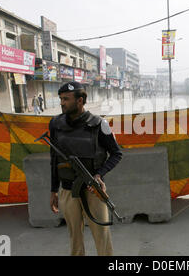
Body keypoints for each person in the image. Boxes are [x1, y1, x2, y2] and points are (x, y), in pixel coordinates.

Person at [49, 82, 122, 256]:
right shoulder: (55, 124)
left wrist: (99, 175)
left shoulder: (99, 124)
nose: (62, 103)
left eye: (66, 99)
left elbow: (116, 154)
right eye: (61, 99)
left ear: (80, 101)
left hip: (93, 190)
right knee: (74, 238)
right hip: (67, 190)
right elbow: (54, 158)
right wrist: (53, 190)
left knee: (102, 237)